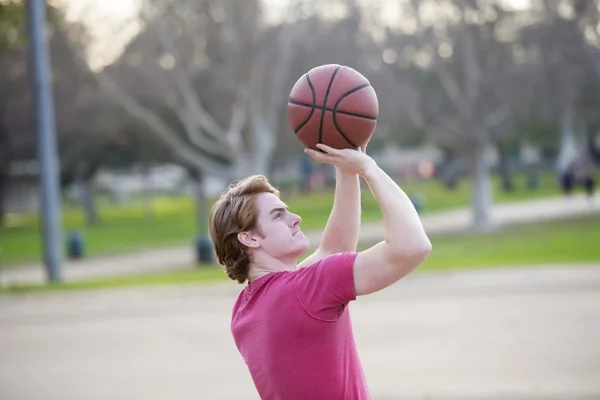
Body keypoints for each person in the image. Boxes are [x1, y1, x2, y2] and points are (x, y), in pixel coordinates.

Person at [208, 143, 432, 400]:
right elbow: (413, 246)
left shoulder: (246, 309)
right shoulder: (304, 290)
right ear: (250, 239)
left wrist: (346, 168)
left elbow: (334, 250)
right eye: (278, 215)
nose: (296, 218)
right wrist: (370, 170)